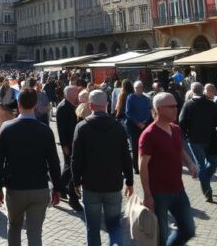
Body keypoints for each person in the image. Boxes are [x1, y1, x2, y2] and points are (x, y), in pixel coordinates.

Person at [0, 87, 64, 246]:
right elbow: (54, 162)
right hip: (39, 187)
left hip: (15, 187)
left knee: (13, 227)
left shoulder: (7, 128)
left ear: (18, 104)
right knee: (35, 233)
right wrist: (58, 188)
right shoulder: (45, 130)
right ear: (36, 105)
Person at [71, 90, 134, 246]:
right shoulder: (118, 127)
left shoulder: (82, 127)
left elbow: (76, 159)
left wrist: (76, 181)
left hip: (91, 185)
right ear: (106, 105)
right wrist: (130, 181)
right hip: (113, 184)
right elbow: (126, 156)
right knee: (114, 225)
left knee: (92, 227)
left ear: (90, 105)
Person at [139, 92, 197, 246]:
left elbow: (179, 150)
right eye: (172, 106)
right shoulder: (148, 134)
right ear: (159, 109)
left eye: (176, 106)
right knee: (160, 237)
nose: (176, 109)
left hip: (178, 190)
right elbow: (142, 166)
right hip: (158, 194)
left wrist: (190, 163)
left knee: (188, 229)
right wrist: (147, 195)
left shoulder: (175, 129)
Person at [178, 81, 217, 203]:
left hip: (195, 139)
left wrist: (186, 134)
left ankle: (206, 185)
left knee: (202, 165)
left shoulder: (188, 104)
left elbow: (181, 121)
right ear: (202, 90)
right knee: (213, 162)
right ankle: (207, 188)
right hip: (210, 138)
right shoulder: (211, 104)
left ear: (192, 91)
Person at [55, 85, 83, 212]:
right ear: (68, 94)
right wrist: (64, 145)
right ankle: (72, 197)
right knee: (72, 169)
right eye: (74, 92)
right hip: (69, 144)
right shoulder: (63, 107)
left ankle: (59, 187)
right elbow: (61, 129)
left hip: (75, 143)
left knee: (69, 168)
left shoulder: (73, 105)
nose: (77, 94)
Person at [125, 81, 152, 178]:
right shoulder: (130, 97)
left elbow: (149, 111)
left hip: (144, 125)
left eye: (140, 87)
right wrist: (137, 123)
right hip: (134, 126)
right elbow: (128, 112)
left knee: (145, 146)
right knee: (135, 147)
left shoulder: (146, 98)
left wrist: (144, 122)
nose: (139, 89)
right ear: (134, 88)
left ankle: (146, 166)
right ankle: (136, 168)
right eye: (137, 87)